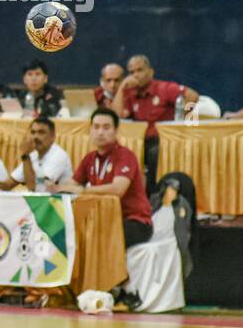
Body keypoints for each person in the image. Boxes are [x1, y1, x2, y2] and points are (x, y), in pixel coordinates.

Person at [58, 108, 152, 248]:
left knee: (101, 238)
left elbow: (117, 190)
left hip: (134, 222)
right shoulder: (89, 159)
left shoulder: (125, 156)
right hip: (104, 219)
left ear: (116, 131)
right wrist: (61, 188)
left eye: (106, 127)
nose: (100, 132)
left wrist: (82, 190)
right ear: (90, 130)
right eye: (96, 127)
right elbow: (71, 186)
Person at [110, 54, 198, 195]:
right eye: (132, 72)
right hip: (139, 141)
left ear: (150, 71)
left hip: (161, 141)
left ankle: (152, 196)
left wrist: (188, 125)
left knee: (153, 153)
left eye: (140, 70)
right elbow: (116, 116)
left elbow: (192, 96)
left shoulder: (164, 88)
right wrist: (121, 89)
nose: (136, 75)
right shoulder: (131, 93)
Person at [0, 116, 73, 191]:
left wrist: (26, 156)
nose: (35, 137)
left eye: (41, 132)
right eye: (33, 132)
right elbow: (9, 183)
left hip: (57, 202)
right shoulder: (33, 155)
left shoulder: (59, 155)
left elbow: (36, 189)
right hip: (40, 201)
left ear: (52, 136)